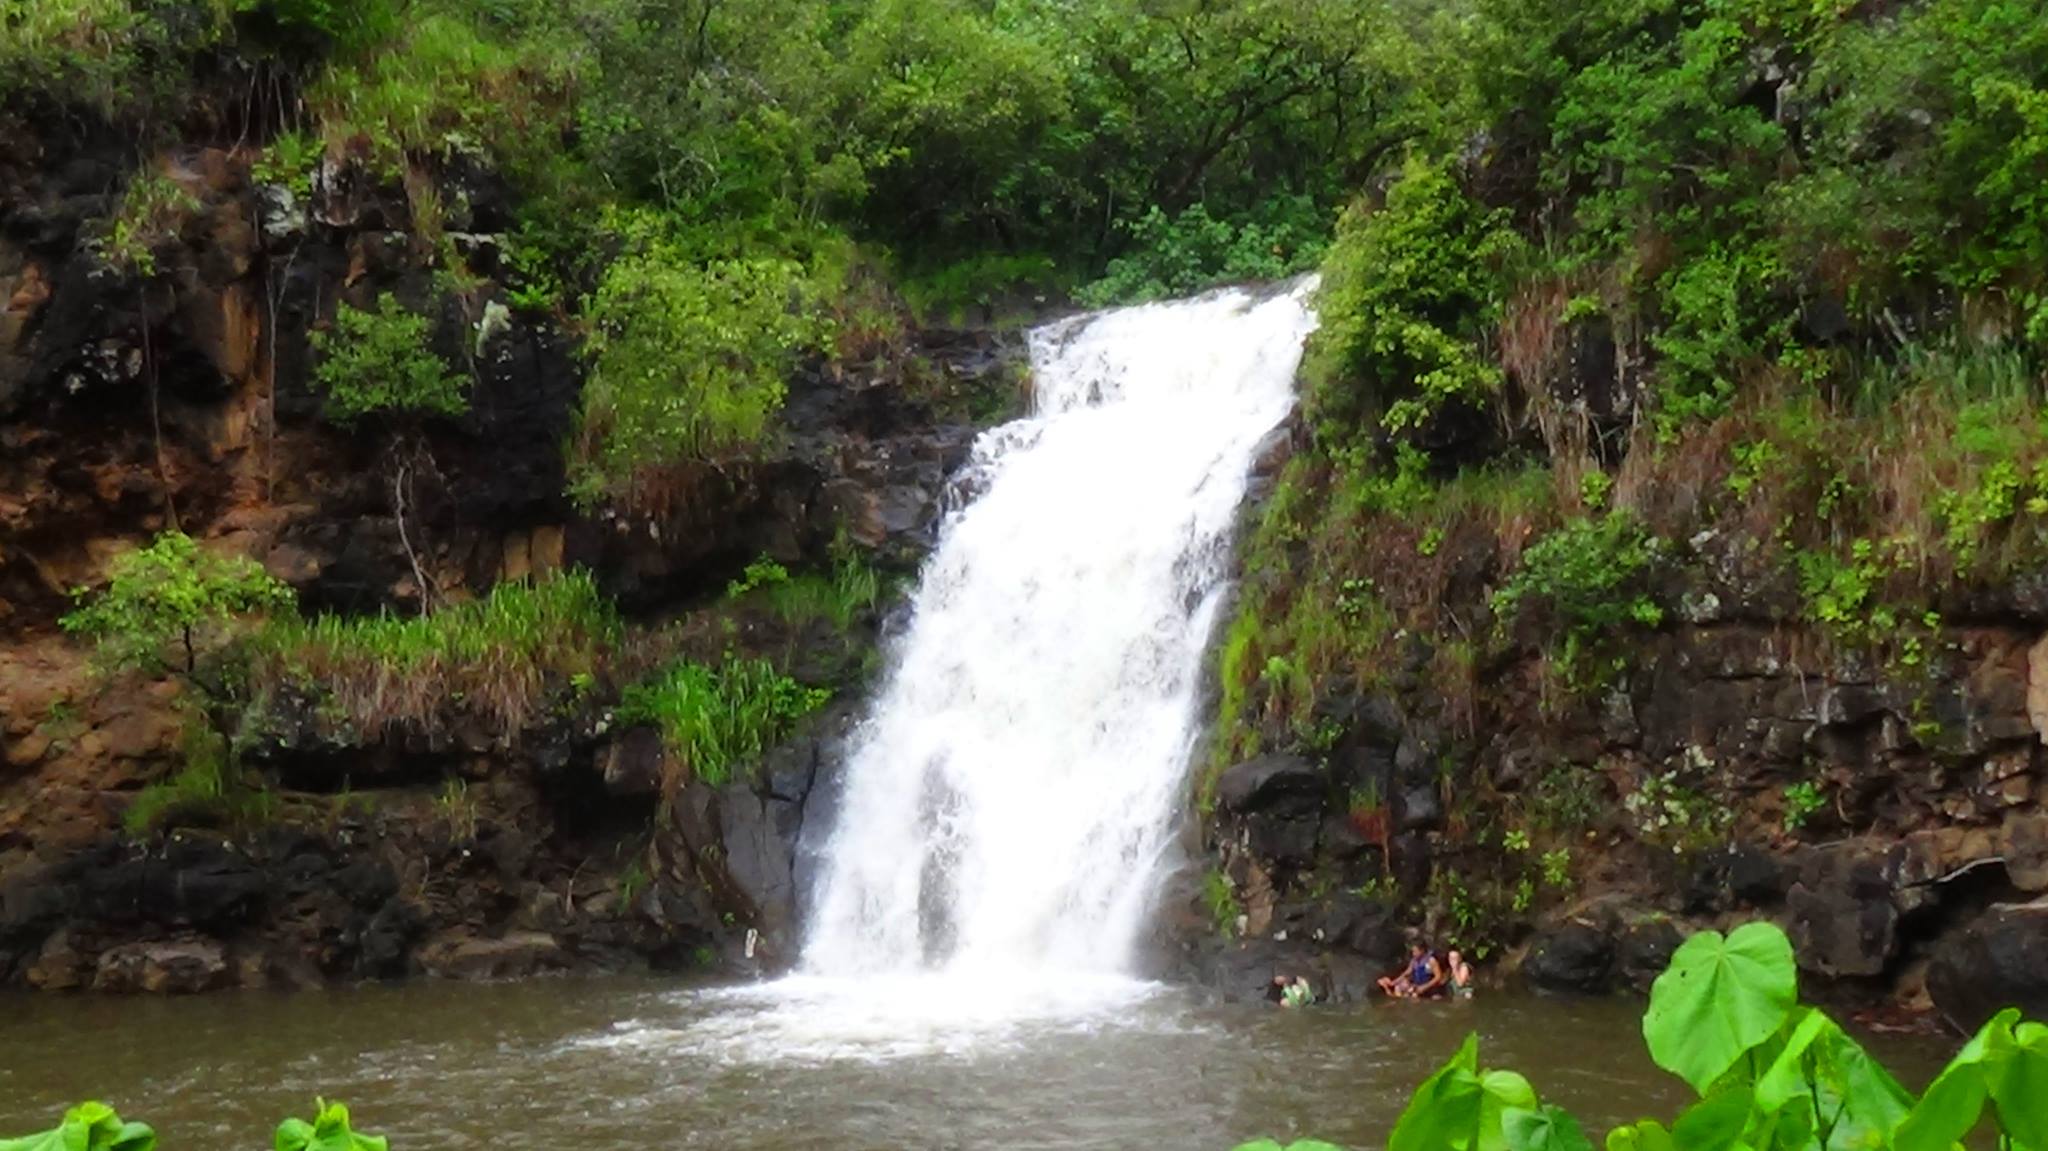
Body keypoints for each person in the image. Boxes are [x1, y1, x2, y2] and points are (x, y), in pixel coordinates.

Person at [1380, 941, 1445, 999]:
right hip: (1418, 987)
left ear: (1422, 950)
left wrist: (1424, 987)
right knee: (1400, 989)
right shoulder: (1414, 960)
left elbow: (1438, 977)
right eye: (1413, 951)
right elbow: (1406, 973)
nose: (1414, 954)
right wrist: (1393, 983)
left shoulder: (1431, 960)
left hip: (1430, 988)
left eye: (1416, 951)